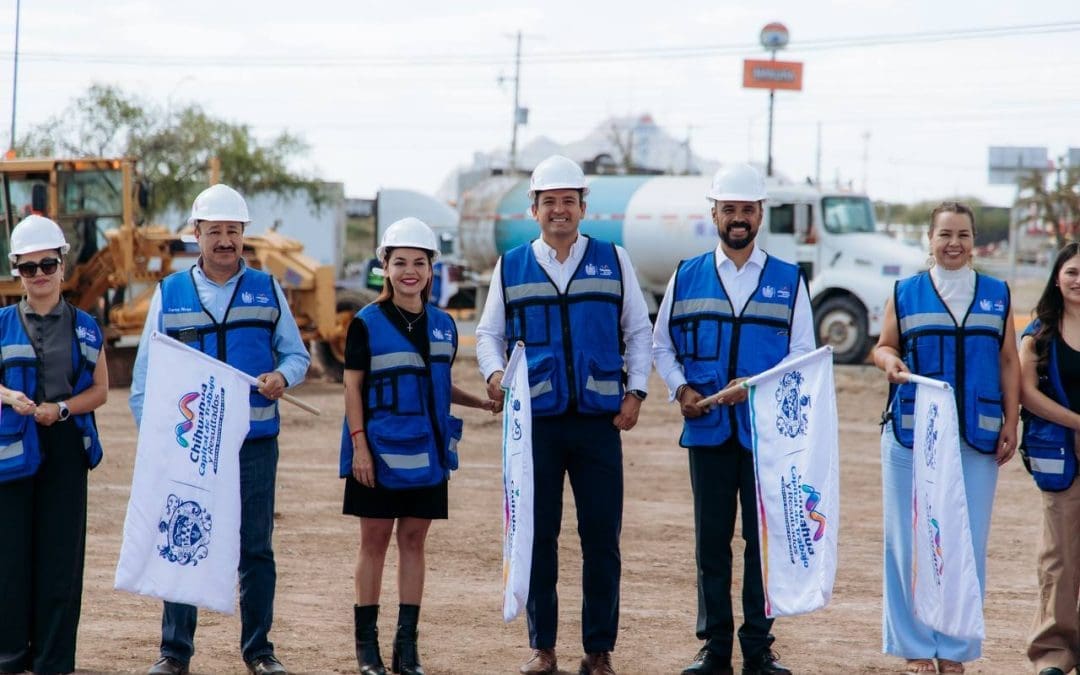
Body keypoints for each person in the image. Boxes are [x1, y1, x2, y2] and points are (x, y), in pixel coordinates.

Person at [476, 155, 652, 675]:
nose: (560, 210)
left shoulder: (614, 260)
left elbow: (638, 331)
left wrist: (637, 391)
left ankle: (598, 651)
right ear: (533, 208)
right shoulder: (510, 266)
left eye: (568, 201)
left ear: (583, 207)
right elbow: (489, 334)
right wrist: (494, 375)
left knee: (602, 540)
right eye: (549, 201)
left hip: (599, 423)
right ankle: (543, 648)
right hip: (537, 425)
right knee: (538, 538)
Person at [129, 184, 311, 675]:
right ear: (197, 233)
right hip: (191, 450)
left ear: (244, 233)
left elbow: (296, 355)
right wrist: (156, 442)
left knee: (256, 548)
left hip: (254, 445)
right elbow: (145, 377)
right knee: (182, 541)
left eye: (233, 230)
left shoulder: (268, 290)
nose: (225, 240)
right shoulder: (170, 294)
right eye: (215, 231)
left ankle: (259, 651)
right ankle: (174, 652)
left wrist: (283, 376)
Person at [652, 163, 806, 675]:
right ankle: (715, 649)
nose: (738, 218)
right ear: (714, 213)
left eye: (747, 210)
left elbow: (803, 356)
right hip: (707, 432)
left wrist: (756, 386)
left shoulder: (789, 280)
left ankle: (758, 649)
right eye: (729, 209)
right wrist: (681, 388)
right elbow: (661, 345)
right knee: (711, 544)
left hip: (767, 438)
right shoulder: (686, 275)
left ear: (760, 214)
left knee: (763, 545)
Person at [341, 217, 496, 675]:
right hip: (377, 451)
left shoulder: (445, 325)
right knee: (374, 543)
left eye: (419, 263)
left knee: (413, 541)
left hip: (428, 453)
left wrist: (481, 402)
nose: (410, 271)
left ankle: (406, 649)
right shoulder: (365, 324)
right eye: (400, 262)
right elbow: (352, 389)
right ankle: (367, 650)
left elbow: (437, 384)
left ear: (431, 269)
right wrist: (359, 447)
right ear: (385, 268)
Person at [873, 201, 1019, 674]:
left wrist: (1012, 421)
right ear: (930, 240)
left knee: (967, 544)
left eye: (963, 235)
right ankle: (915, 646)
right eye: (945, 234)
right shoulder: (905, 292)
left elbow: (1008, 361)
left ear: (974, 242)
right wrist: (889, 362)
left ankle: (954, 650)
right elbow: (884, 346)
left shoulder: (997, 294)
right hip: (911, 435)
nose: (954, 243)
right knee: (905, 543)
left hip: (976, 436)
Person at [0, 215, 109, 674]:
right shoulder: (2, 323)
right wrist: (9, 397)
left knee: (61, 557)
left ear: (63, 264)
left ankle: (53, 659)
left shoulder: (86, 327)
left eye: (47, 264)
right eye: (29, 267)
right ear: (17, 271)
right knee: (10, 555)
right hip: (12, 450)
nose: (39, 274)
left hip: (64, 447)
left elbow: (100, 390)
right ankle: (9, 655)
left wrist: (62, 409)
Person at [1018, 243, 1080, 675]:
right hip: (1061, 455)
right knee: (1058, 556)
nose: (1079, 280)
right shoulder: (1039, 333)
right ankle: (1053, 654)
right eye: (1072, 271)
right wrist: (1077, 423)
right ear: (1057, 278)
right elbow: (1026, 392)